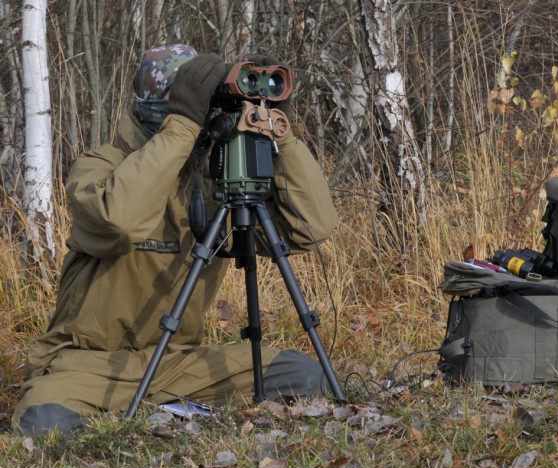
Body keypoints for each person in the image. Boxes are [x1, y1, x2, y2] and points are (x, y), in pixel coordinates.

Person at [12, 45, 337, 436]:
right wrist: (183, 126)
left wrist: (280, 134)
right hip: (88, 365)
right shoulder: (99, 165)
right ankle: (149, 416)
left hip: (178, 364)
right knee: (43, 425)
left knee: (306, 377)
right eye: (197, 102)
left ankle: (165, 410)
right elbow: (121, 222)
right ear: (164, 106)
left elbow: (310, 228)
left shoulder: (218, 182)